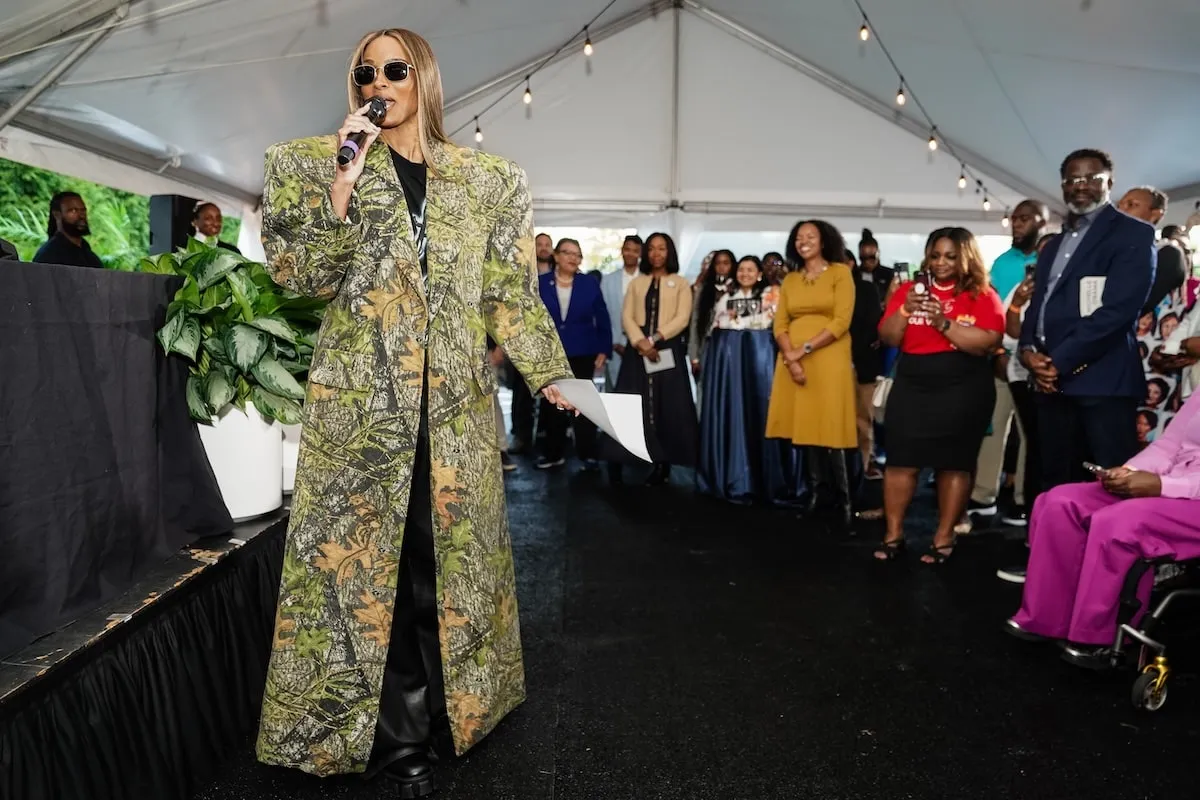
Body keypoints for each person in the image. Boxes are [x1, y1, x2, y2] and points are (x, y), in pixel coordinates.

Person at [253, 28, 575, 795]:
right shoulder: (308, 163)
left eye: (395, 69)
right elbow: (300, 276)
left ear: (423, 78)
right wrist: (342, 181)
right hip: (362, 409)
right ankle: (395, 737)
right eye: (365, 71)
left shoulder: (489, 179)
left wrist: (549, 372)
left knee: (447, 566)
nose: (379, 81)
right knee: (370, 574)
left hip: (457, 406)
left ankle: (451, 710)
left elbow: (507, 290)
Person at [1006, 388, 1200, 669]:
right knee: (1060, 502)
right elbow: (1170, 444)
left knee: (1123, 521)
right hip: (1173, 483)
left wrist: (1163, 486)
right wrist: (1130, 471)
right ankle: (1048, 618)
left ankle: (1101, 637)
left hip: (1186, 494)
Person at [1019, 149, 1156, 491]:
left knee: (1109, 483)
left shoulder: (1133, 234)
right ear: (1063, 186)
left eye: (1092, 178)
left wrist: (1057, 362)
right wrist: (1026, 350)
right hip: (1052, 386)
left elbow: (1118, 312)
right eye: (1073, 179)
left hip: (1102, 384)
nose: (1082, 186)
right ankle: (1056, 546)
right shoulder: (1053, 245)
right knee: (1055, 482)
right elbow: (1038, 304)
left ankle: (1105, 548)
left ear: (1109, 183)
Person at [872, 228, 1005, 563]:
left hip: (963, 388)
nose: (941, 263)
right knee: (900, 460)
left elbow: (988, 342)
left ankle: (944, 537)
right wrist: (904, 311)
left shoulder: (982, 294)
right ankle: (893, 535)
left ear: (966, 258)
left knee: (953, 464)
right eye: (935, 256)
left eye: (950, 256)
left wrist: (943, 323)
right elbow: (887, 337)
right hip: (913, 385)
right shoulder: (907, 291)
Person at [765, 220, 857, 529]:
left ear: (824, 240)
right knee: (806, 427)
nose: (804, 241)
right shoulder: (790, 280)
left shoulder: (840, 273)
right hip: (793, 359)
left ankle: (846, 502)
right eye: (799, 237)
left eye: (811, 236)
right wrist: (791, 359)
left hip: (828, 357)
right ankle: (818, 494)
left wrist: (801, 350)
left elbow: (841, 321)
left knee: (831, 427)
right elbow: (779, 323)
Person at [968, 200, 1048, 523]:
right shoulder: (1002, 263)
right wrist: (998, 352)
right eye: (1015, 219)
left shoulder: (1053, 257)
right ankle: (983, 494)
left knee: (1032, 432)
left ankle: (1022, 500)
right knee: (992, 427)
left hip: (1038, 363)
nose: (1017, 224)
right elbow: (992, 311)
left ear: (1044, 222)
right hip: (1002, 357)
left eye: (1026, 219)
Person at [605, 232, 698, 485]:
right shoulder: (637, 283)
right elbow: (627, 316)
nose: (657, 253)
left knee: (668, 406)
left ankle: (663, 462)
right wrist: (641, 342)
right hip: (638, 350)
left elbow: (682, 318)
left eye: (662, 249)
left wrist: (655, 339)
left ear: (670, 253)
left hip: (667, 348)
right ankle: (620, 458)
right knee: (630, 403)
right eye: (652, 249)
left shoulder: (680, 283)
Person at [697, 256, 790, 504]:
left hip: (760, 359)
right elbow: (717, 324)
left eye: (750, 270)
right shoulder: (727, 295)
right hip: (731, 361)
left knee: (760, 411)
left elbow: (771, 321)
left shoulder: (772, 293)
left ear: (759, 273)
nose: (745, 273)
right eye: (741, 270)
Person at [537, 238, 611, 470]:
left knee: (584, 405)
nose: (573, 258)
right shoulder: (540, 283)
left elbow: (603, 316)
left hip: (583, 352)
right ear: (556, 256)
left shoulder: (589, 283)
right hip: (551, 354)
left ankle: (587, 454)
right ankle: (553, 454)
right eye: (567, 253)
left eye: (577, 255)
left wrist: (604, 349)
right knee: (553, 406)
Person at [600, 234, 643, 386]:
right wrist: (614, 342)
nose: (630, 254)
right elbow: (602, 314)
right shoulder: (607, 280)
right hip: (614, 346)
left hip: (642, 346)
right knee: (616, 390)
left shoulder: (647, 279)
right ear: (622, 251)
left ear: (640, 254)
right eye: (627, 249)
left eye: (635, 250)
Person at [33, 191, 104, 269]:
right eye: (73, 211)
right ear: (57, 215)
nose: (81, 215)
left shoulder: (89, 256)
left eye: (83, 210)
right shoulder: (49, 255)